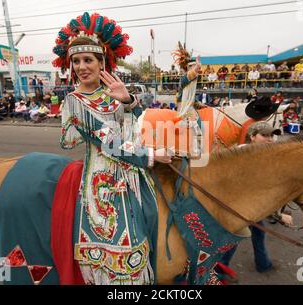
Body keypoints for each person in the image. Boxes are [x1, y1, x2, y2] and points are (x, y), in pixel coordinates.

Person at [53, 11, 171, 285]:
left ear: (102, 62)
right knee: (121, 252)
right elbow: (109, 142)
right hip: (103, 183)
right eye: (77, 61)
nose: (82, 67)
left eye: (88, 60)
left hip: (132, 174)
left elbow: (136, 124)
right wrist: (152, 155)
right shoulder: (74, 100)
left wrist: (128, 100)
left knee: (156, 213)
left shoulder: (113, 93)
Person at [220, 121, 293, 273]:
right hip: (238, 206)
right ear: (252, 136)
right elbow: (253, 191)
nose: (270, 139)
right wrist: (278, 215)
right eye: (265, 135)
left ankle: (263, 264)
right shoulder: (241, 156)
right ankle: (218, 272)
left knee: (259, 232)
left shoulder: (263, 155)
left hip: (250, 206)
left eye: (272, 135)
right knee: (236, 238)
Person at [172, 42, 203, 157]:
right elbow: (191, 74)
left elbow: (192, 98)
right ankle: (193, 153)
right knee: (194, 126)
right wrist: (197, 67)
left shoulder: (191, 81)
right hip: (184, 110)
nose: (196, 70)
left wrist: (199, 103)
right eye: (192, 66)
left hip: (189, 107)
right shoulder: (184, 79)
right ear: (188, 67)